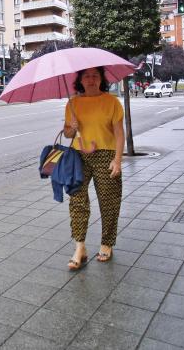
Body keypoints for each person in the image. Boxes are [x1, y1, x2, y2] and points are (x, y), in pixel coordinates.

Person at [62, 67, 125, 270]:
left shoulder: (111, 102)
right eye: (86, 76)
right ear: (80, 80)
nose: (91, 79)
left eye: (95, 76)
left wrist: (117, 160)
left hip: (106, 154)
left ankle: (107, 243)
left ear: (101, 79)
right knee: (77, 200)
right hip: (78, 155)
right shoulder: (73, 103)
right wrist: (71, 127)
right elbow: (67, 134)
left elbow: (119, 133)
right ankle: (80, 247)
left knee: (109, 200)